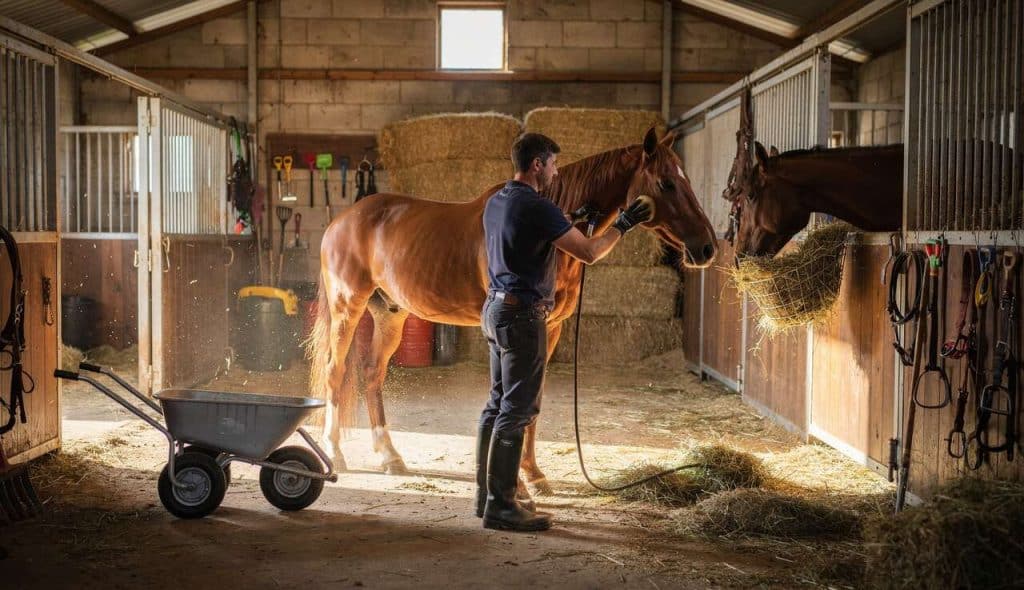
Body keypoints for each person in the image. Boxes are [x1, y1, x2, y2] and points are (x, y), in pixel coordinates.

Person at [477, 132, 654, 532]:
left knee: (496, 405)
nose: (557, 172)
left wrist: (571, 220)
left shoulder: (497, 201)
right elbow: (589, 252)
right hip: (523, 316)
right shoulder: (539, 206)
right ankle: (501, 507)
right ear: (537, 164)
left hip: (495, 309)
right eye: (554, 164)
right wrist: (623, 225)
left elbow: (526, 236)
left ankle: (484, 496)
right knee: (517, 410)